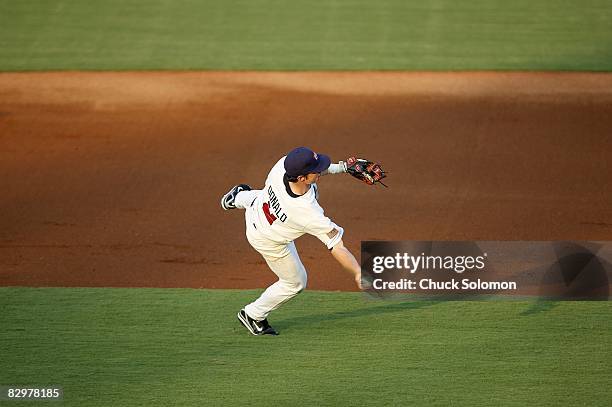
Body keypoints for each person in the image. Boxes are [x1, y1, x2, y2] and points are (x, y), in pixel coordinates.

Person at [221, 147, 362, 336]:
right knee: (295, 283)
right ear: (302, 178)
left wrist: (344, 167)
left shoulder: (283, 166)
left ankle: (236, 198)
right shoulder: (308, 214)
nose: (321, 169)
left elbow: (313, 171)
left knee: (259, 197)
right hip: (267, 239)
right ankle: (253, 315)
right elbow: (337, 247)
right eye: (316, 169)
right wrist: (358, 273)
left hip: (258, 208)